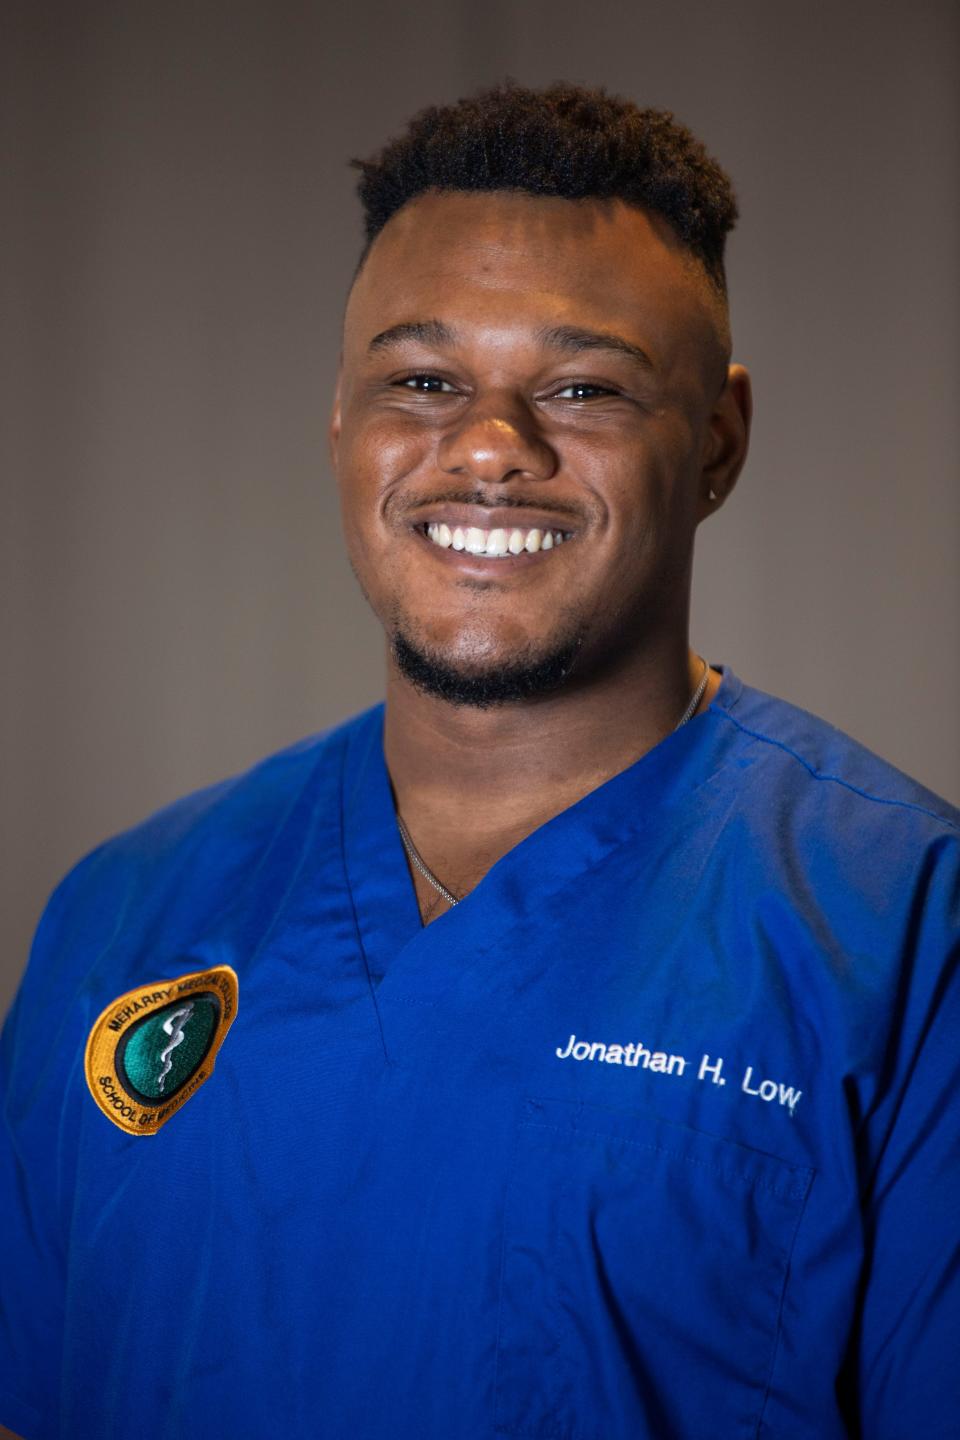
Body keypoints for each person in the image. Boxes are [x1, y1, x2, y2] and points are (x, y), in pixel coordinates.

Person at [0, 82, 957, 1440]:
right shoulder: (122, 913)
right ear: (343, 422)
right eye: (424, 380)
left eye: (582, 385)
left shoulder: (907, 927)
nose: (492, 447)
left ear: (721, 441)